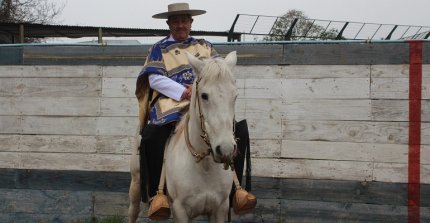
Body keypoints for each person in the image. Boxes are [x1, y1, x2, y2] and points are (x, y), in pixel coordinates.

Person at [135, 2, 254, 219]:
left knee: (239, 130)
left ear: (191, 23)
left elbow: (221, 70)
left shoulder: (205, 46)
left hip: (204, 101)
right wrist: (183, 92)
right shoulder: (159, 48)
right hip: (172, 104)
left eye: (184, 21)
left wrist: (203, 87)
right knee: (152, 136)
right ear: (169, 24)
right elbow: (154, 79)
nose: (180, 25)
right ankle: (157, 195)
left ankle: (236, 191)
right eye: (176, 21)